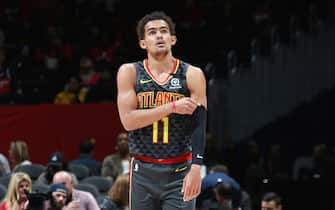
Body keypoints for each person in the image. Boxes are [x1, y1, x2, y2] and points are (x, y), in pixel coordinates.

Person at [116, 11, 207, 210]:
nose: (159, 35)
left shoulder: (192, 74)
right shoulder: (129, 72)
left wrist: (196, 168)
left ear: (172, 39)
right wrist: (172, 106)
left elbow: (199, 125)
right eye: (152, 32)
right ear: (143, 43)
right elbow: (128, 121)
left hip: (179, 169)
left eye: (164, 31)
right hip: (142, 170)